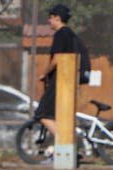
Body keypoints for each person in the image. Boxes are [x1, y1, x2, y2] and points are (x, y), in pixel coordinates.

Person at [34, 5, 80, 140]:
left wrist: (45, 73)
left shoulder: (60, 34)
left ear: (57, 18)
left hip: (59, 80)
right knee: (60, 115)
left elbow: (57, 59)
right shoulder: (71, 34)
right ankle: (65, 143)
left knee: (41, 114)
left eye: (51, 18)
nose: (49, 21)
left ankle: (65, 141)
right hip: (68, 80)